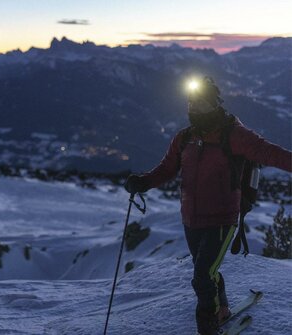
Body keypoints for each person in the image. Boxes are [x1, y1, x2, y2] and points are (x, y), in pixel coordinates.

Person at [123, 76, 292, 335]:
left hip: (222, 218)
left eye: (200, 104)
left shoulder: (234, 134)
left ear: (214, 104)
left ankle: (208, 326)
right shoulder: (185, 138)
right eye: (191, 104)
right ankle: (221, 309)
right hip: (191, 218)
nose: (194, 109)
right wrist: (143, 182)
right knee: (207, 272)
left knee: (202, 275)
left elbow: (268, 152)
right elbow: (167, 168)